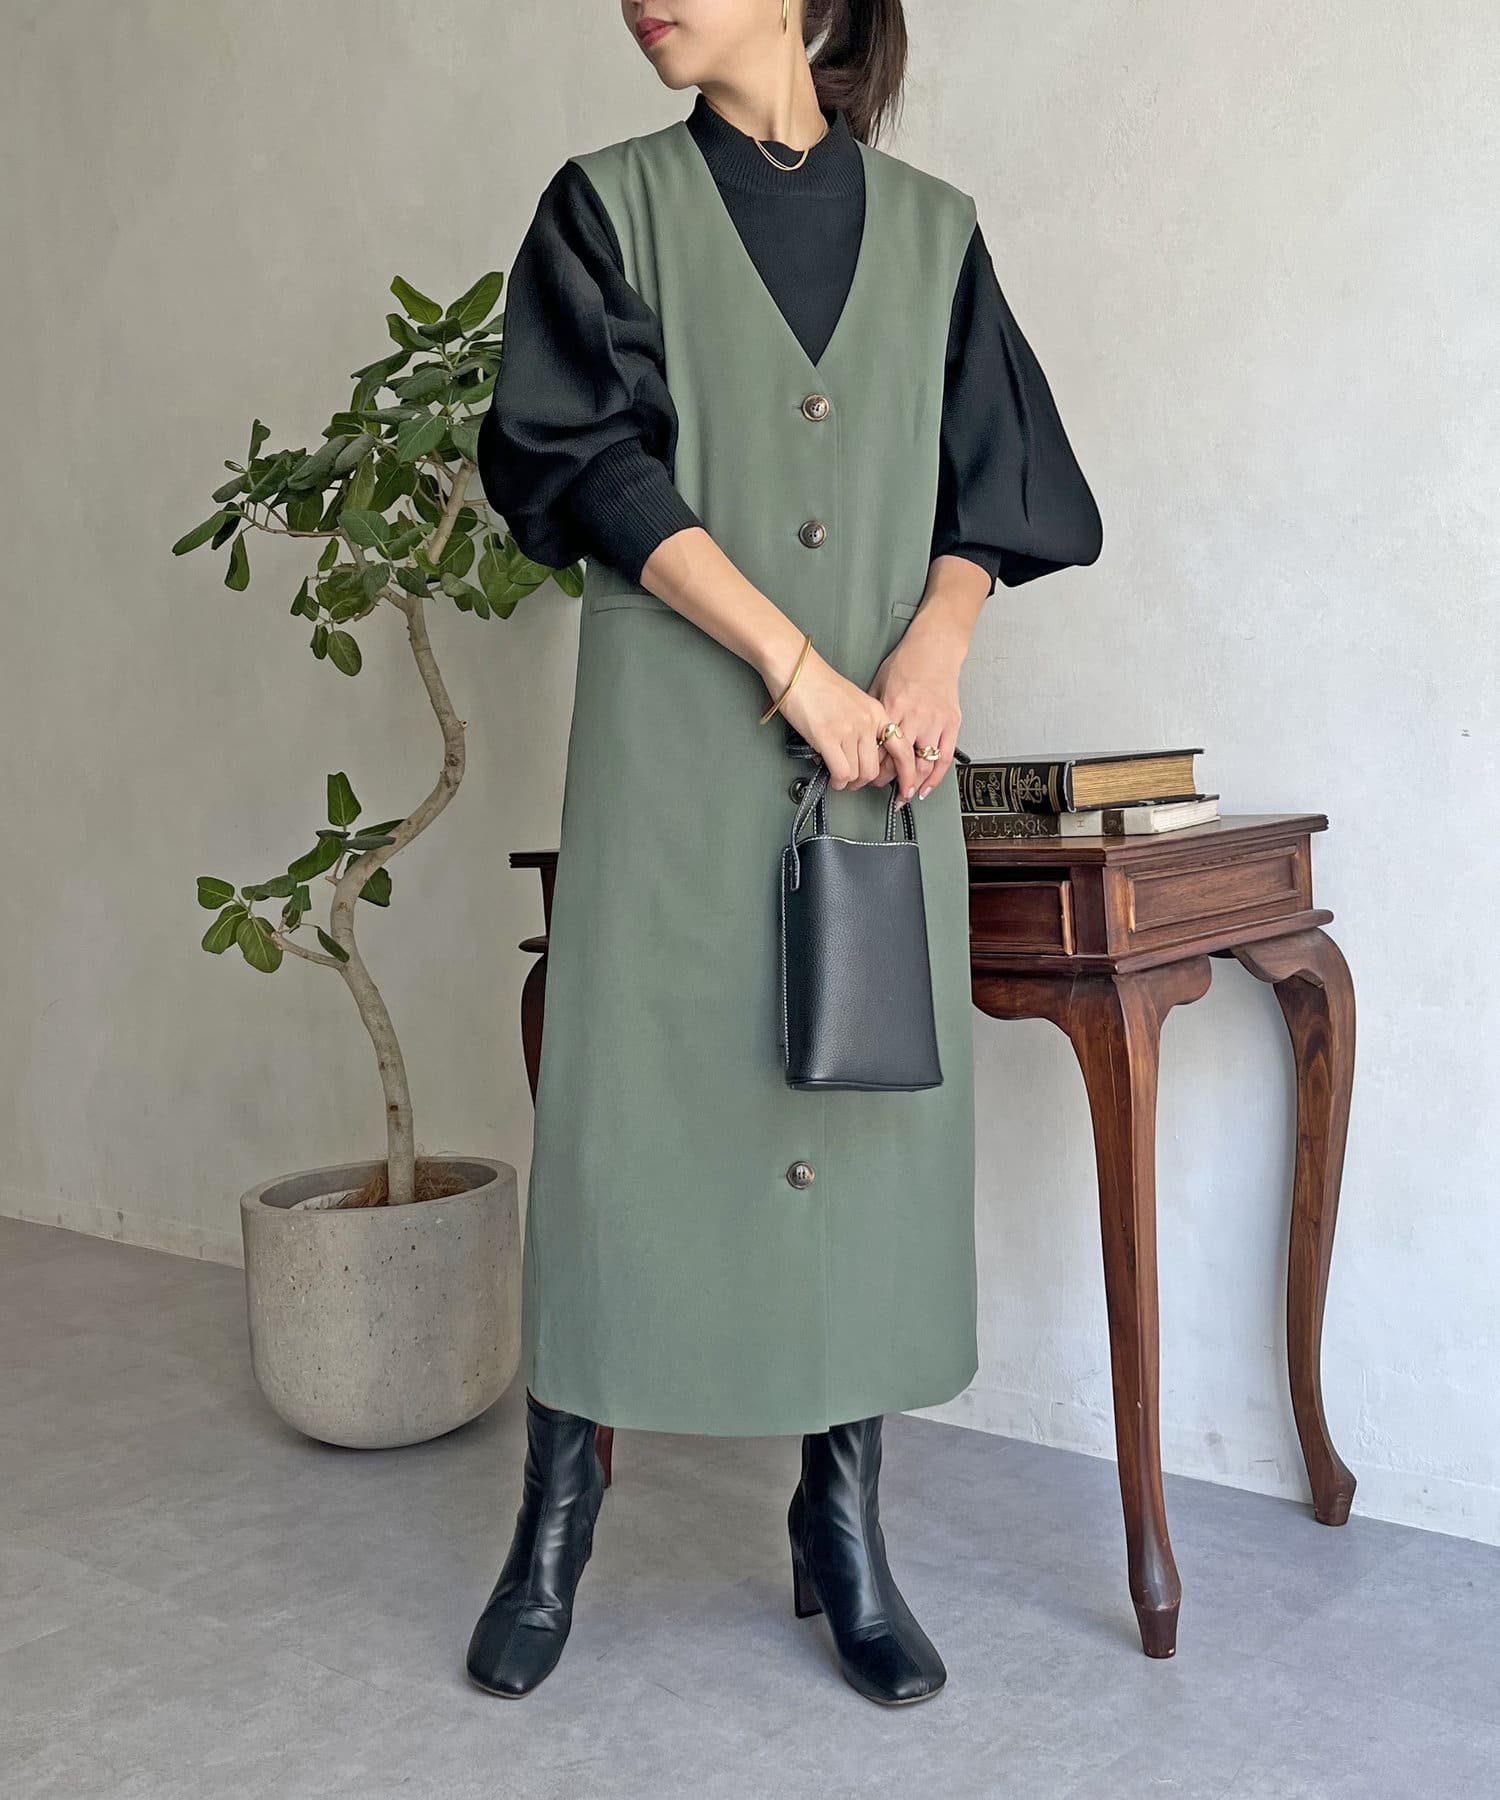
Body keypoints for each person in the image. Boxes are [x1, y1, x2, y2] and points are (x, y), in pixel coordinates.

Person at [466, 0, 1103, 1705]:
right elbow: (586, 465)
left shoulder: (937, 233)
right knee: (620, 1123)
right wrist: (797, 667)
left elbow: (994, 485)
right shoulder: (604, 205)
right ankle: (552, 1526)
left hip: (879, 765)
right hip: (676, 760)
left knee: (855, 1117)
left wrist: (933, 654)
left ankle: (842, 1528)